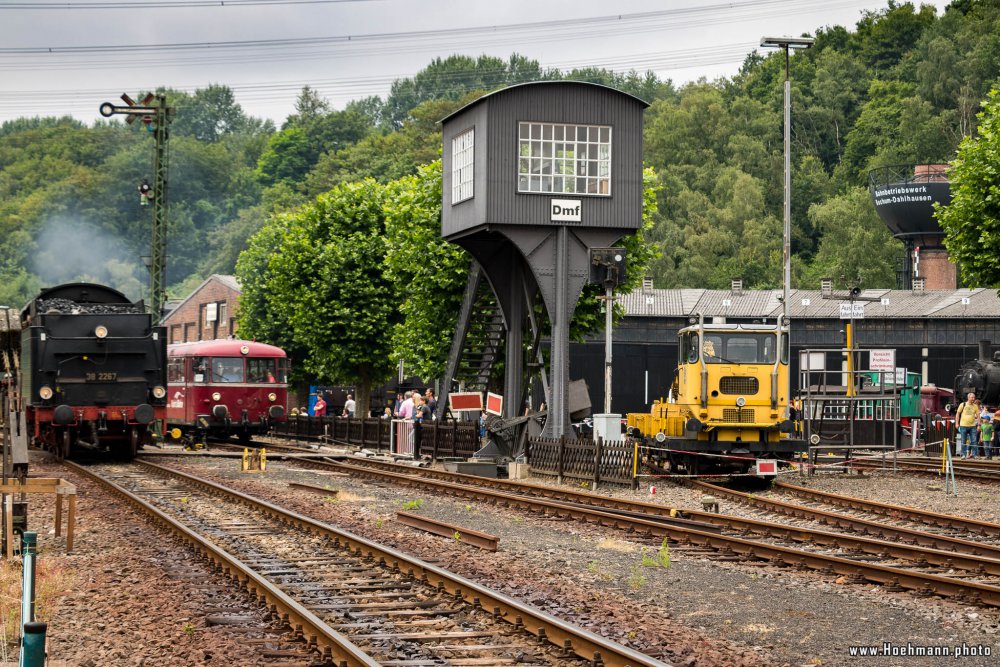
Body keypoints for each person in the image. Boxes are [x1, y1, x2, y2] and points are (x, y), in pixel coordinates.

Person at [955, 392, 979, 458]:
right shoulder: (963, 404)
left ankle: (975, 455)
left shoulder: (975, 406)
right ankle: (963, 455)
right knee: (963, 440)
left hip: (973, 426)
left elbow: (978, 416)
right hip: (963, 425)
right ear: (968, 398)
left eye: (974, 397)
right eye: (972, 397)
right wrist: (957, 423)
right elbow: (958, 414)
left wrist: (979, 425)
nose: (973, 399)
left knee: (974, 441)